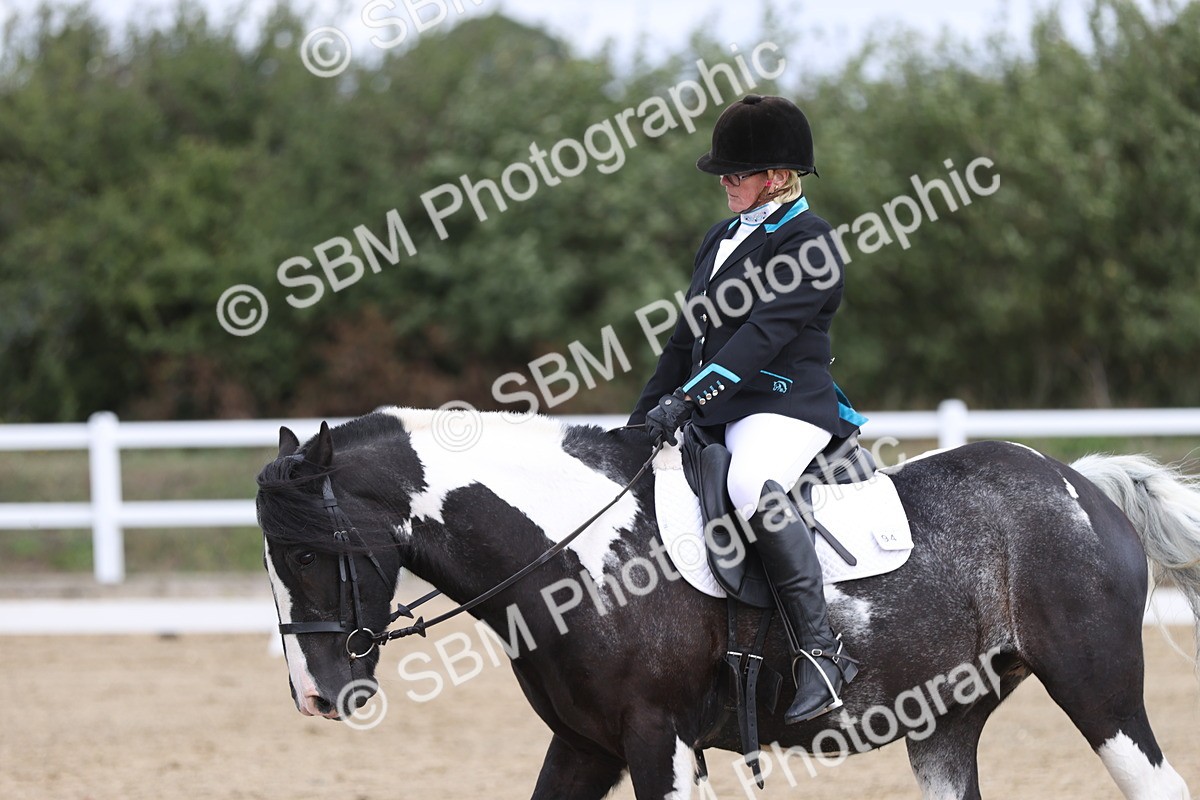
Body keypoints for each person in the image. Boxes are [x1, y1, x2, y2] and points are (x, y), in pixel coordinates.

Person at [628, 94, 864, 724]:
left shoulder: (813, 244)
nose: (726, 183)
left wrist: (689, 399)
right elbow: (688, 338)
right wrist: (641, 418)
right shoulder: (721, 237)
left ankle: (821, 653)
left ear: (779, 176)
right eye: (726, 173)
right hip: (720, 402)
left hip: (782, 405)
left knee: (750, 485)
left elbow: (760, 339)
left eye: (737, 173)